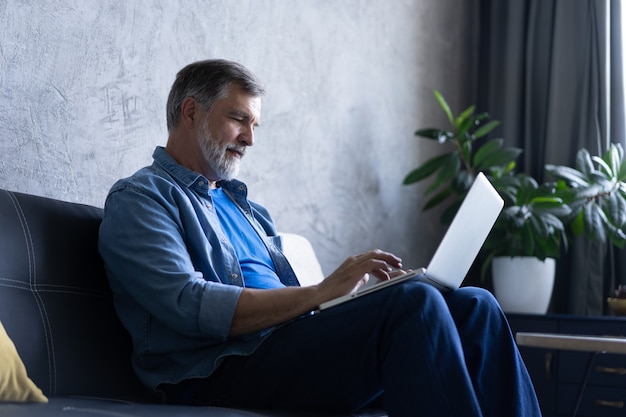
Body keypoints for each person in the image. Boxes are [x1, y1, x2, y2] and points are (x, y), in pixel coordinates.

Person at [98, 59, 541, 417]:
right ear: (190, 111)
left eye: (255, 125)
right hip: (218, 370)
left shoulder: (247, 209)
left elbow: (298, 313)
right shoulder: (141, 198)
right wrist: (320, 292)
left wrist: (348, 299)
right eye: (238, 119)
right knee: (413, 306)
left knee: (475, 305)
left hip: (286, 348)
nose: (250, 138)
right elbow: (187, 304)